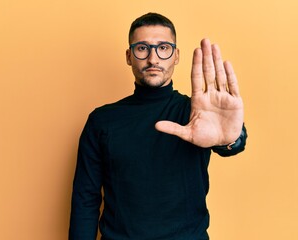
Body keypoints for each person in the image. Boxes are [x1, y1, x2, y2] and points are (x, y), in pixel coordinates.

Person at [69, 12, 247, 240]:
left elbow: (232, 141)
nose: (153, 59)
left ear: (176, 56)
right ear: (129, 56)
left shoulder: (196, 112)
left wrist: (231, 139)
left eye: (163, 48)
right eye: (142, 48)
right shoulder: (102, 120)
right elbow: (86, 198)